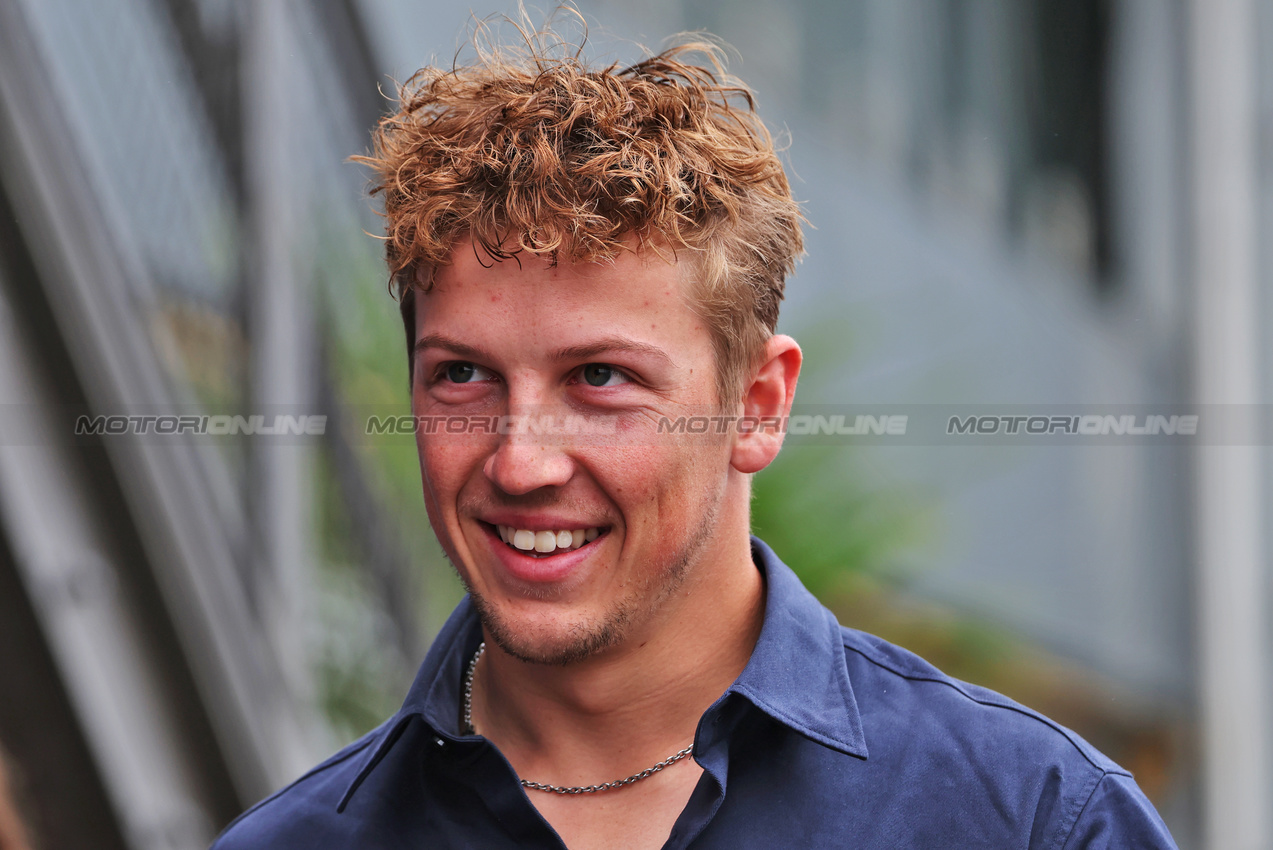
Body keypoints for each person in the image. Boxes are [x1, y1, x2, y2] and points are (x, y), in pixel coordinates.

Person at [211, 20, 1178, 850]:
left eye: (600, 378)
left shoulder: (1030, 821)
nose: (521, 460)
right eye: (463, 375)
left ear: (757, 406)